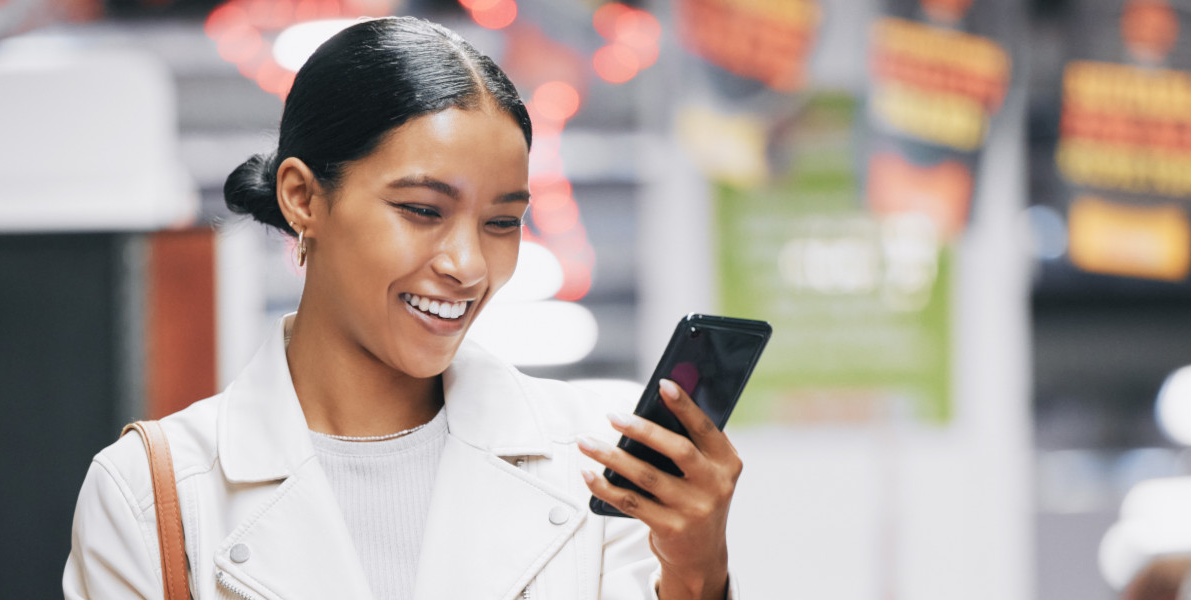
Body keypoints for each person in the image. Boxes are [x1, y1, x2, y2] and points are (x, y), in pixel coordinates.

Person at [63, 17, 742, 600]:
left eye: (501, 223)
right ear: (303, 197)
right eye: (422, 211)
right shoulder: (153, 494)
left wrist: (695, 573)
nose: (468, 265)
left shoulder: (597, 463)